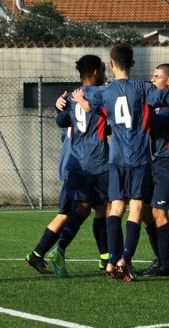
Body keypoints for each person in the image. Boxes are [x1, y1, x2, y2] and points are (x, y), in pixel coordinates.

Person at [74, 44, 169, 281]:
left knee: (116, 207)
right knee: (136, 208)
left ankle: (112, 261)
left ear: (111, 64)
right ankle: (125, 258)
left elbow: (87, 100)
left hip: (116, 159)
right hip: (140, 158)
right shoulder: (143, 88)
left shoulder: (105, 91)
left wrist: (74, 100)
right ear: (132, 64)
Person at [25, 55, 109, 277]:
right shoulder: (101, 94)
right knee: (98, 209)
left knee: (84, 209)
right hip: (95, 162)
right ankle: (53, 252)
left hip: (76, 163)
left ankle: (102, 257)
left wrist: (59, 107)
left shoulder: (72, 96)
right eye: (102, 69)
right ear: (95, 72)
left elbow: (62, 121)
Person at [141, 63, 169, 277]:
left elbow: (153, 123)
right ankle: (161, 256)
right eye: (153, 75)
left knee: (159, 211)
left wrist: (140, 106)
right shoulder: (157, 103)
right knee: (145, 212)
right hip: (153, 162)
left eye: (157, 76)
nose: (153, 79)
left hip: (168, 162)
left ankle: (165, 263)